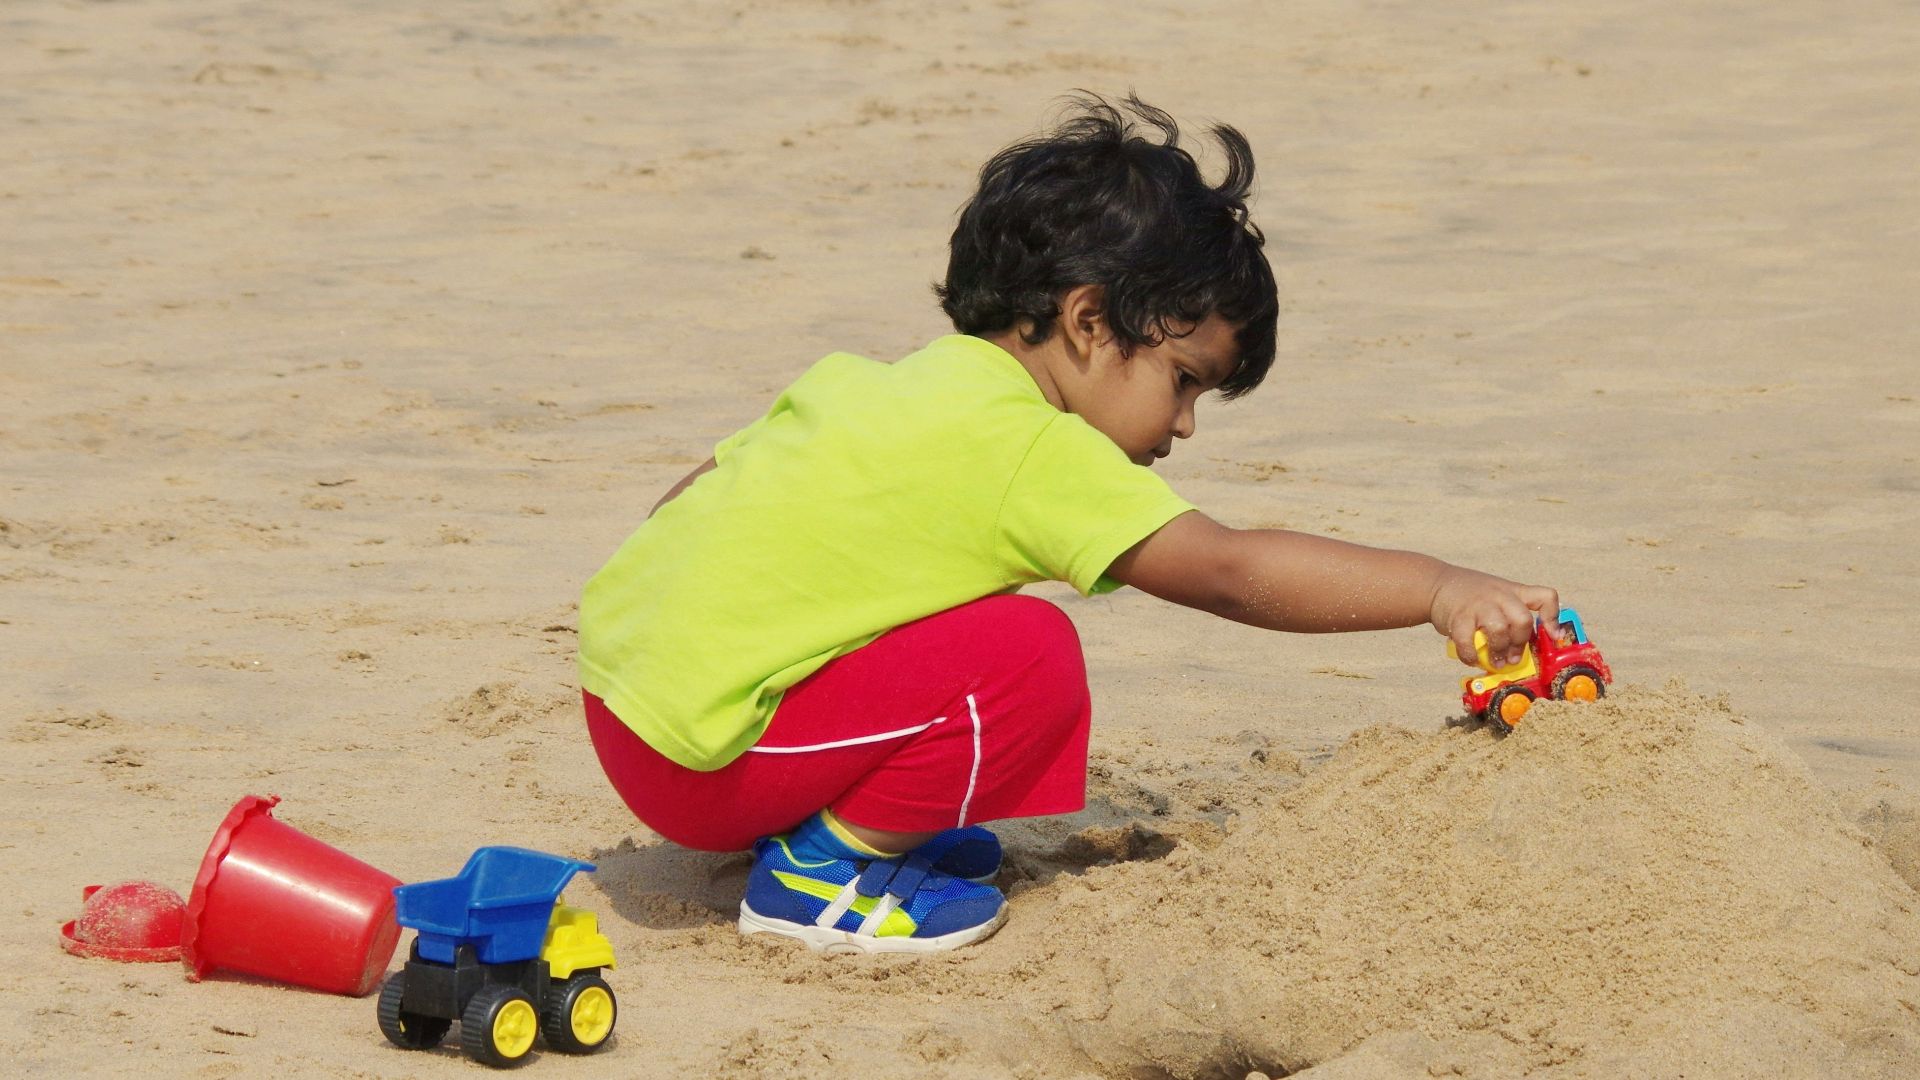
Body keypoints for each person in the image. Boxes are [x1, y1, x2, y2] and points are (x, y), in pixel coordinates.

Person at [576, 94, 1560, 955]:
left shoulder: (879, 382)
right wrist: (1438, 588)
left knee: (898, 602)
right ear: (1090, 323)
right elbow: (1225, 568)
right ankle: (816, 875)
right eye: (1183, 383)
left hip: (625, 704)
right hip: (700, 766)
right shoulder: (1031, 448)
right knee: (1026, 655)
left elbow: (696, 494)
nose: (1178, 426)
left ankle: (829, 814)